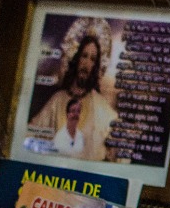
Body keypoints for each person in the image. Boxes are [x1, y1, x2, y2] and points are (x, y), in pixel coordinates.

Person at [28, 22, 118, 161]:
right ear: (77, 58)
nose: (87, 63)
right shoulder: (58, 100)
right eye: (84, 56)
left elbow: (118, 136)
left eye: (92, 59)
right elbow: (31, 132)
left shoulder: (100, 106)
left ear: (95, 66)